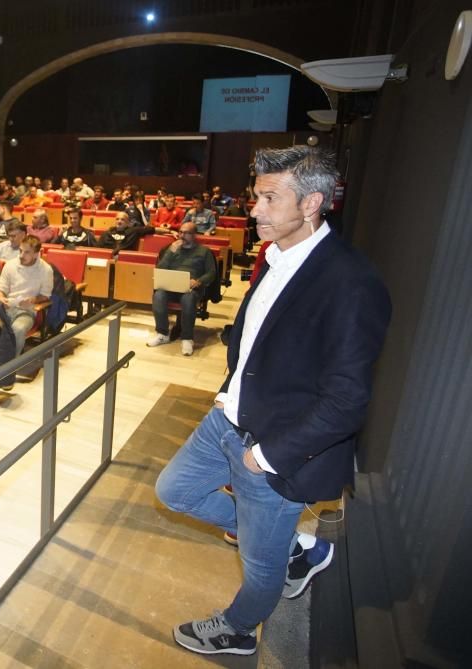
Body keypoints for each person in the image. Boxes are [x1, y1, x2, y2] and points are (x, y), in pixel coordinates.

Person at [156, 147, 391, 657]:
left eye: (269, 197)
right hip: (228, 418)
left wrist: (264, 458)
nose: (255, 209)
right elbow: (251, 339)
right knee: (174, 491)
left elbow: (347, 401)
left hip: (272, 449)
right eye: (256, 195)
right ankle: (298, 548)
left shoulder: (351, 284)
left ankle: (238, 631)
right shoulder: (273, 254)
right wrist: (226, 393)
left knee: (262, 567)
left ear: (311, 203)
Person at [146, 222, 217, 356]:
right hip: (171, 286)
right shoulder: (171, 249)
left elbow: (211, 273)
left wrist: (199, 281)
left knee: (188, 299)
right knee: (159, 295)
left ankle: (187, 338)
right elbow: (160, 269)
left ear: (194, 235)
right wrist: (171, 252)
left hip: (190, 289)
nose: (182, 236)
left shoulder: (204, 251)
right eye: (181, 232)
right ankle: (162, 334)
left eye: (187, 233)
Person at [0, 236, 53, 389]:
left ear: (36, 253)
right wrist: (1, 298)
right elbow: (1, 288)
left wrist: (33, 300)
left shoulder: (45, 270)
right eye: (20, 251)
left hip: (27, 310)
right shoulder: (10, 265)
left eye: (26, 252)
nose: (21, 255)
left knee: (18, 329)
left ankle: (7, 373)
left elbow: (46, 295)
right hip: (6, 307)